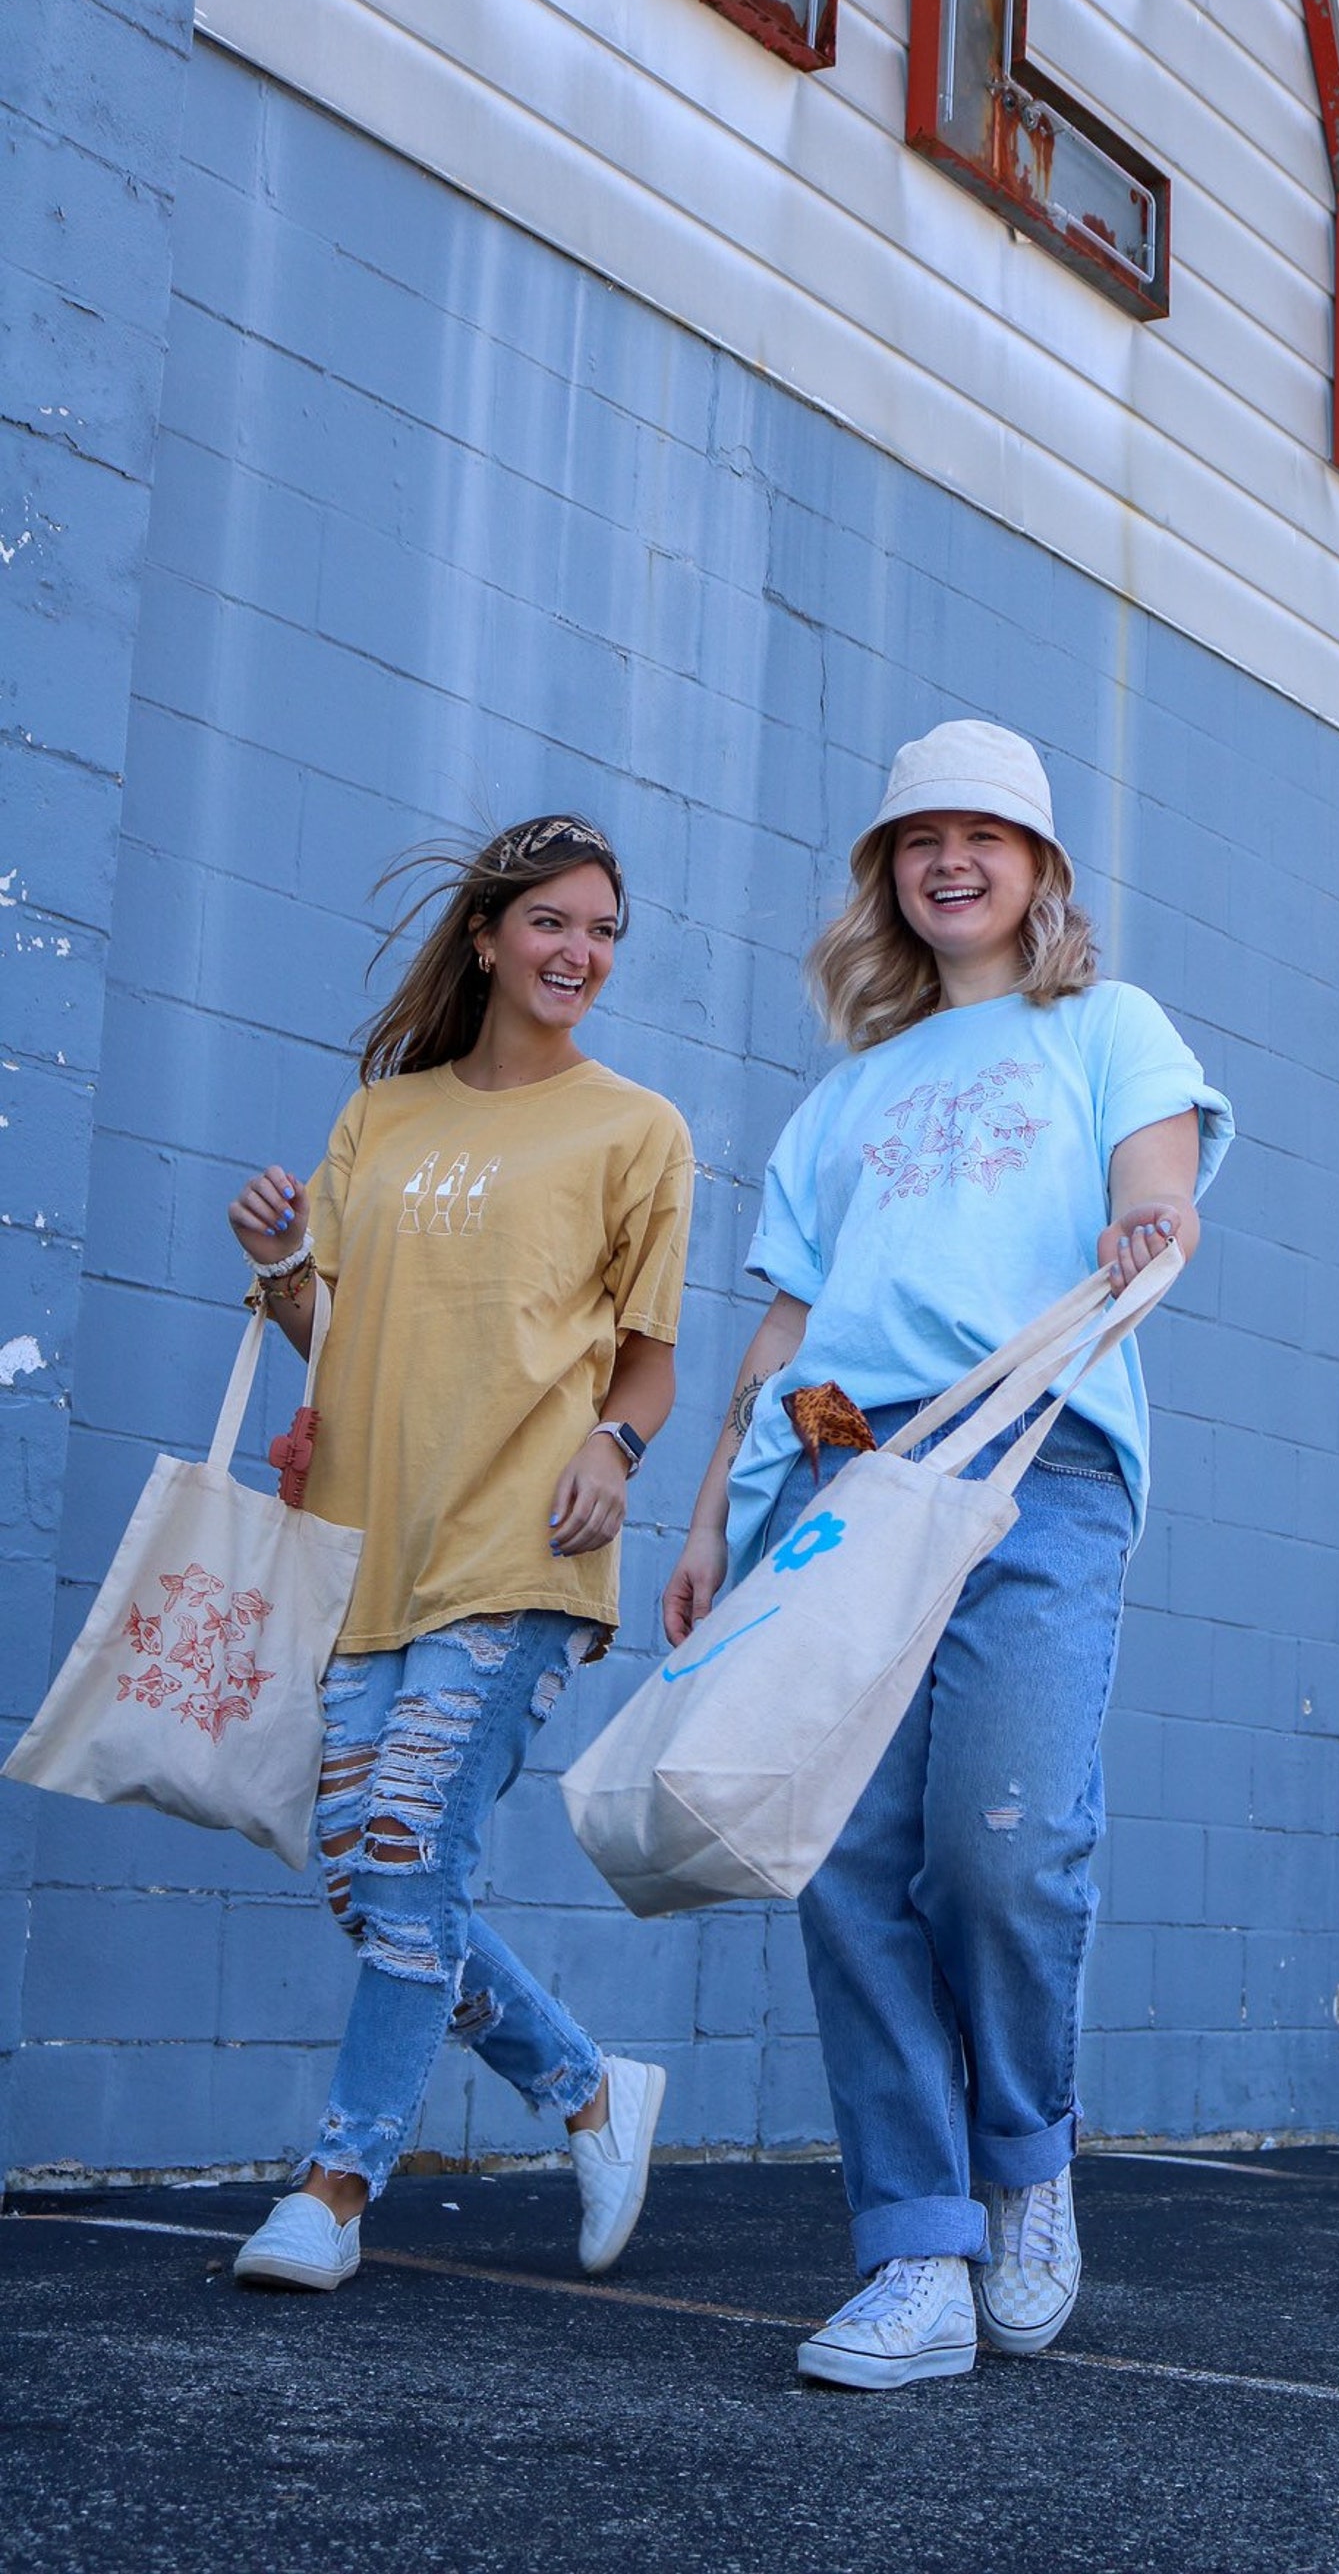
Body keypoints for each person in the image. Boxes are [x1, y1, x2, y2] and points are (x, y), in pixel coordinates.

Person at [664, 722, 1232, 2389]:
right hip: (841, 1475)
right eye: (922, 837)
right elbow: (780, 1330)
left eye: (988, 834)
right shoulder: (843, 1096)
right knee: (842, 1865)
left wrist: (1151, 1231)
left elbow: (1162, 1187)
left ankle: (1026, 2152)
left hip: (1036, 1455)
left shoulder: (1107, 1026)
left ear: (1042, 868)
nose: (952, 859)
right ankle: (915, 2245)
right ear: (887, 874)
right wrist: (712, 1517)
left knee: (1005, 1843)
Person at [226, 814, 693, 2294]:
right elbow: (330, 1348)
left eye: (605, 930)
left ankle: (337, 2180)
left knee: (410, 1848)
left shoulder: (637, 1129)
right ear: (489, 935)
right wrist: (282, 1262)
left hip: (523, 1547)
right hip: (371, 1544)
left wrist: (612, 1456)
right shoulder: (384, 1119)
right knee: (372, 1888)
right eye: (553, 922)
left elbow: (650, 1365)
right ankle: (589, 2089)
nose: (580, 954)